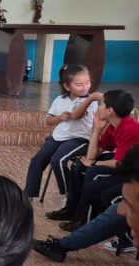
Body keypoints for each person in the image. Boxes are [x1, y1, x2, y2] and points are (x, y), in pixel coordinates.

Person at [49, 89, 139, 232]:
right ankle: (72, 210)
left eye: (101, 105)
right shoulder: (113, 126)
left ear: (110, 111)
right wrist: (97, 129)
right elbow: (92, 155)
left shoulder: (130, 129)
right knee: (78, 165)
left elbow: (117, 163)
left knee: (93, 173)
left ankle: (84, 221)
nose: (98, 108)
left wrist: (94, 163)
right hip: (126, 164)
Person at [23, 64, 100, 200]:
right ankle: (28, 195)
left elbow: (76, 115)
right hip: (58, 137)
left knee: (58, 160)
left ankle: (71, 196)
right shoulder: (60, 100)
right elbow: (49, 120)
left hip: (80, 139)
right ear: (67, 86)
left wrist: (90, 99)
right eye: (79, 84)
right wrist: (59, 118)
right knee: (37, 160)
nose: (85, 87)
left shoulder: (90, 101)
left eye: (87, 83)